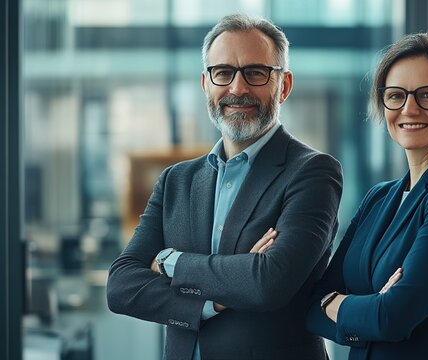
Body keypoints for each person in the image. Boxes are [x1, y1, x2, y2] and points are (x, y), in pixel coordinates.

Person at [106, 14, 342, 360]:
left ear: (285, 86)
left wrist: (172, 262)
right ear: (206, 83)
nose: (237, 88)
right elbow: (121, 286)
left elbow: (267, 284)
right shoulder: (176, 181)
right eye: (223, 72)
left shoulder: (313, 172)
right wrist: (214, 300)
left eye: (255, 72)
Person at [306, 32, 428, 360]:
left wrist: (337, 304)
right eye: (396, 95)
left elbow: (391, 318)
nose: (409, 108)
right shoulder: (378, 198)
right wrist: (364, 306)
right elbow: (313, 310)